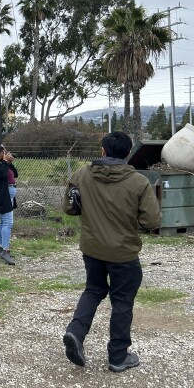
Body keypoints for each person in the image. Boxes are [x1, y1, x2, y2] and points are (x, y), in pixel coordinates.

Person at [62, 131, 160, 372]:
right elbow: (151, 222)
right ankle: (117, 356)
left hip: (92, 249)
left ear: (103, 151)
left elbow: (69, 208)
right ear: (128, 154)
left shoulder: (82, 175)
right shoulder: (138, 182)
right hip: (124, 253)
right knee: (122, 301)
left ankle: (75, 332)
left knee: (94, 289)